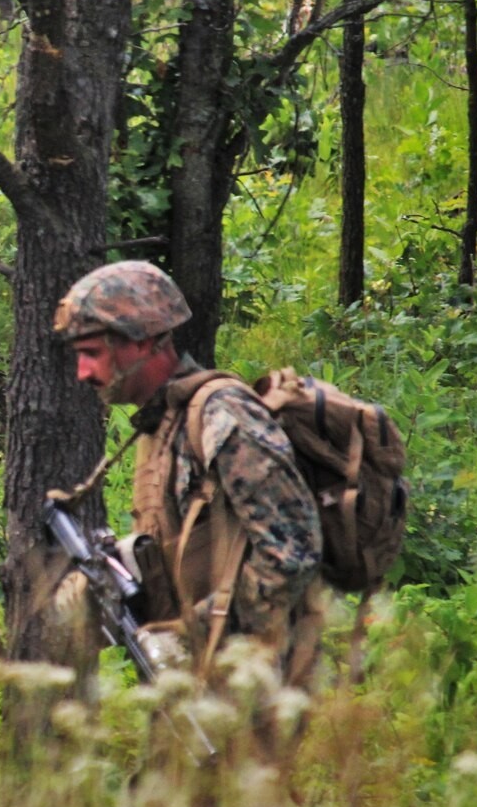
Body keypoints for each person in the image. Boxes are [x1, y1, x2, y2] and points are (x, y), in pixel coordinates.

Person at [53, 260, 325, 690]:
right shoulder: (160, 426)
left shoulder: (223, 415)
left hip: (257, 683)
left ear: (143, 343)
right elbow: (188, 548)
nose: (82, 373)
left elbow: (292, 550)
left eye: (93, 353)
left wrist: (192, 633)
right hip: (198, 687)